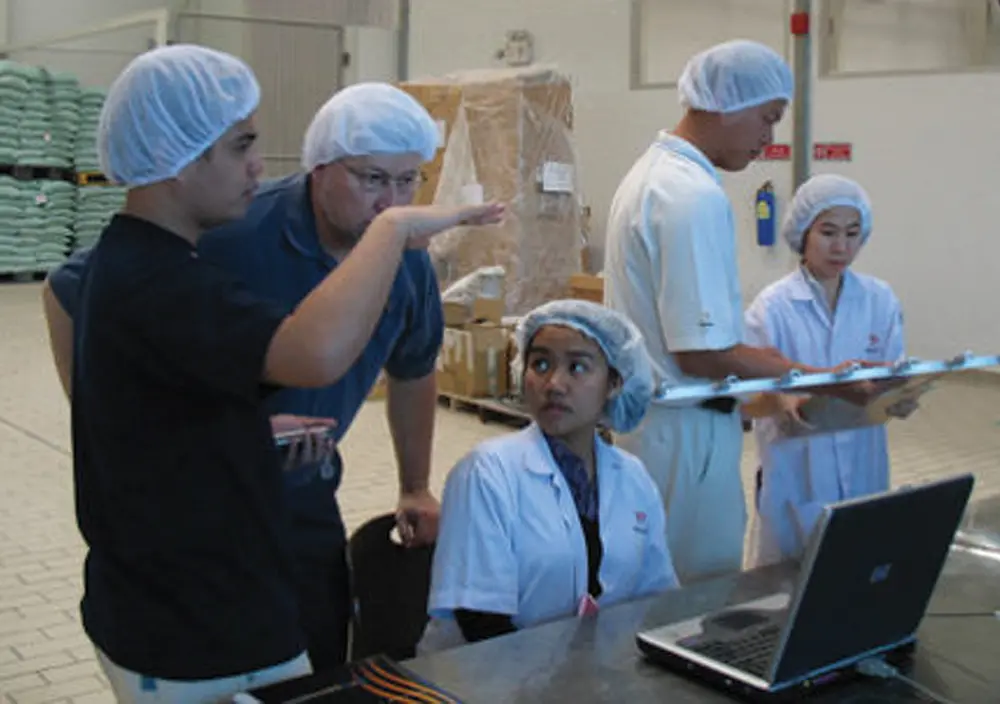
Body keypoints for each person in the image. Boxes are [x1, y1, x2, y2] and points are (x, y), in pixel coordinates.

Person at [63, 44, 503, 702]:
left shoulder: (159, 261)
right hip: (185, 590)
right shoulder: (183, 267)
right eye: (242, 144)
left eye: (407, 183)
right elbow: (311, 352)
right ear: (180, 159)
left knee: (322, 659)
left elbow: (409, 369)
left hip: (261, 520)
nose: (255, 164)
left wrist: (229, 431)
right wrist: (118, 425)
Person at [603, 40, 877, 583]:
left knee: (652, 582)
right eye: (767, 119)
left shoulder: (652, 176)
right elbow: (703, 351)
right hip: (685, 433)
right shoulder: (689, 196)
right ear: (726, 103)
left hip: (659, 425)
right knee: (691, 593)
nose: (768, 138)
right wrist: (815, 377)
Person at [419, 299, 679, 652]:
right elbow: (480, 621)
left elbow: (655, 601)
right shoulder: (486, 473)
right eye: (540, 364)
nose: (554, 383)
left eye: (577, 367)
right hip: (487, 681)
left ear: (615, 382)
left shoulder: (633, 478)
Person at [744, 175, 912, 568]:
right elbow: (746, 396)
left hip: (864, 464)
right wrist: (781, 399)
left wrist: (900, 398)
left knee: (856, 577)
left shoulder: (878, 299)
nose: (841, 246)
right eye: (828, 232)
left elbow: (894, 372)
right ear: (803, 232)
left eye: (853, 233)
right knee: (783, 584)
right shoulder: (774, 307)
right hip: (796, 467)